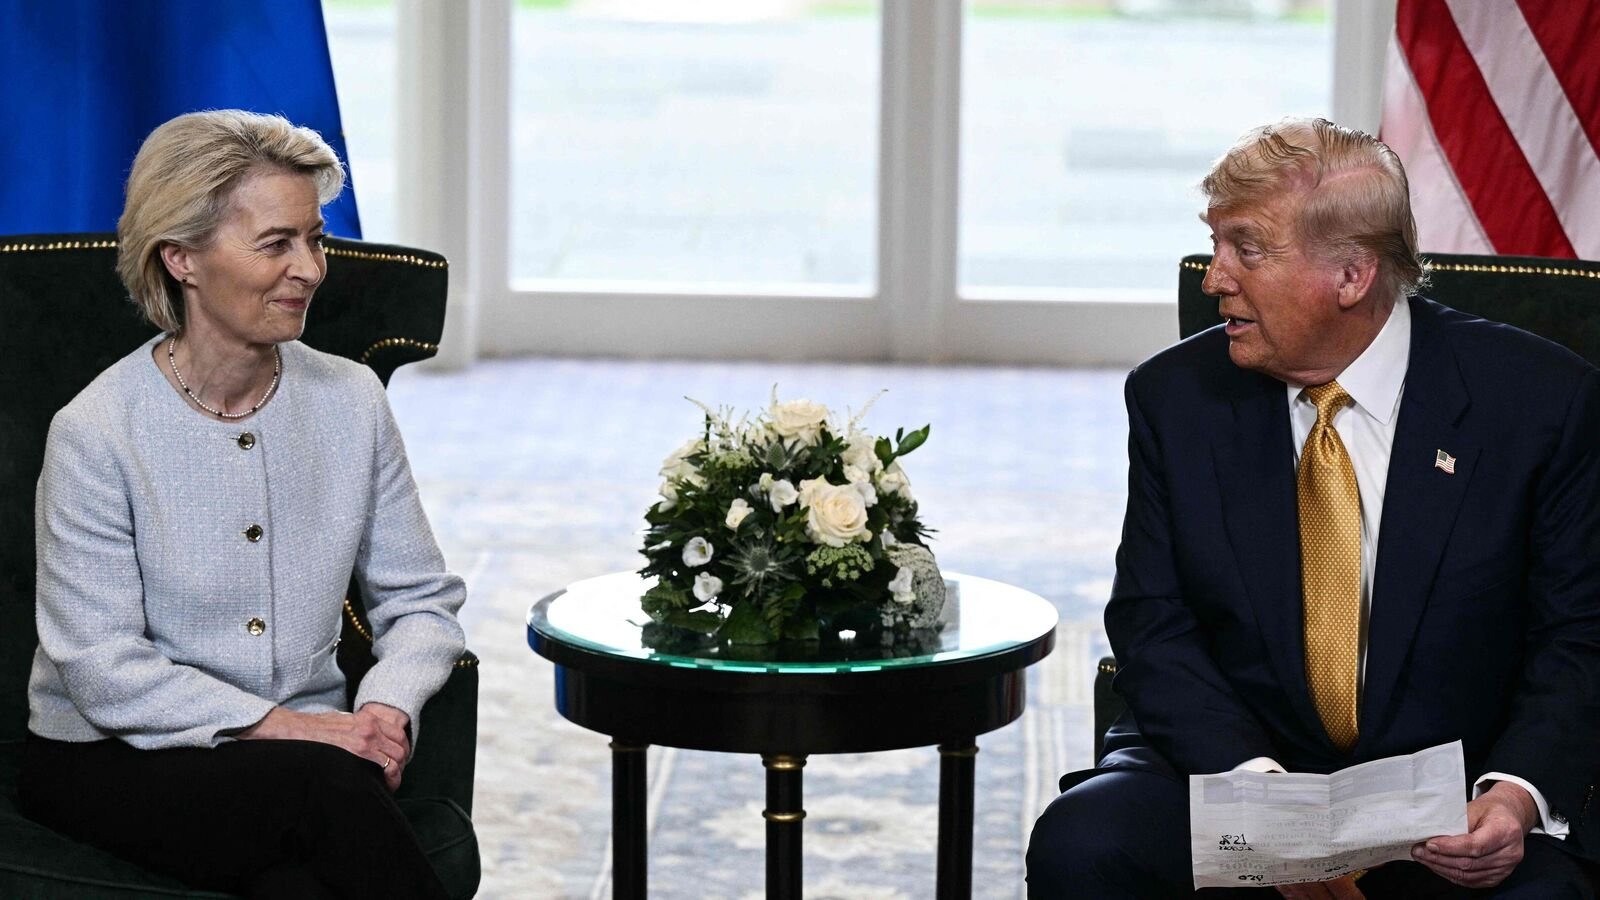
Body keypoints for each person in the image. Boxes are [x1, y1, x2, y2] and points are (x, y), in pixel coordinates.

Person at [1027, 118, 1600, 898]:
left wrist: (1515, 794)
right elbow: (1153, 623)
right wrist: (1266, 804)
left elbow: (1579, 634)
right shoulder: (1175, 397)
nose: (1215, 278)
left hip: (1448, 798)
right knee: (1084, 844)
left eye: (1247, 249)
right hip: (1235, 765)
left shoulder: (1541, 402)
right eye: (1215, 243)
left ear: (1353, 275)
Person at [19, 109, 467, 899]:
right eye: (276, 243)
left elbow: (423, 603)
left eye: (315, 239)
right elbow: (102, 669)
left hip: (303, 770)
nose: (311, 269)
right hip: (113, 758)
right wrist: (303, 731)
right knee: (324, 793)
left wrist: (386, 710)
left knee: (298, 881)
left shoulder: (350, 400)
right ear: (182, 258)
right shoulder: (96, 431)